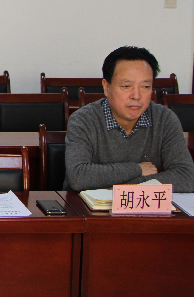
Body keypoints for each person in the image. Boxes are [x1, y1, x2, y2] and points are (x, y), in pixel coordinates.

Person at [64, 46, 194, 192]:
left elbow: (186, 177)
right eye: (126, 86)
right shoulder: (83, 120)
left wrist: (124, 186)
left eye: (145, 86)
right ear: (106, 87)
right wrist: (137, 169)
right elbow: (79, 177)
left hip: (143, 204)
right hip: (86, 206)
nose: (136, 96)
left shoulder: (164, 119)